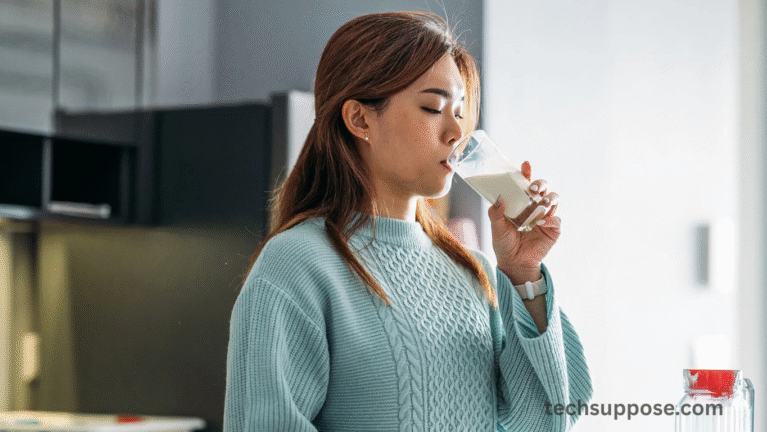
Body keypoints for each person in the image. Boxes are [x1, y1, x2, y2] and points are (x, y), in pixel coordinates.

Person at [223, 11, 592, 432]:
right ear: (360, 119)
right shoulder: (297, 264)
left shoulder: (473, 271)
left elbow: (544, 421)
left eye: (461, 110)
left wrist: (523, 273)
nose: (457, 131)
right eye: (433, 107)